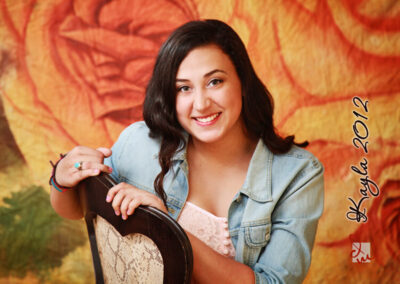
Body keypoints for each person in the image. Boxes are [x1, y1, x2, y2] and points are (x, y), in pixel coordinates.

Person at [50, 19, 324, 283]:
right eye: (183, 88)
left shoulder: (297, 174)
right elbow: (80, 208)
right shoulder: (140, 143)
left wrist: (166, 228)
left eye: (215, 82)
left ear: (242, 82)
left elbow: (272, 282)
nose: (201, 104)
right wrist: (61, 179)